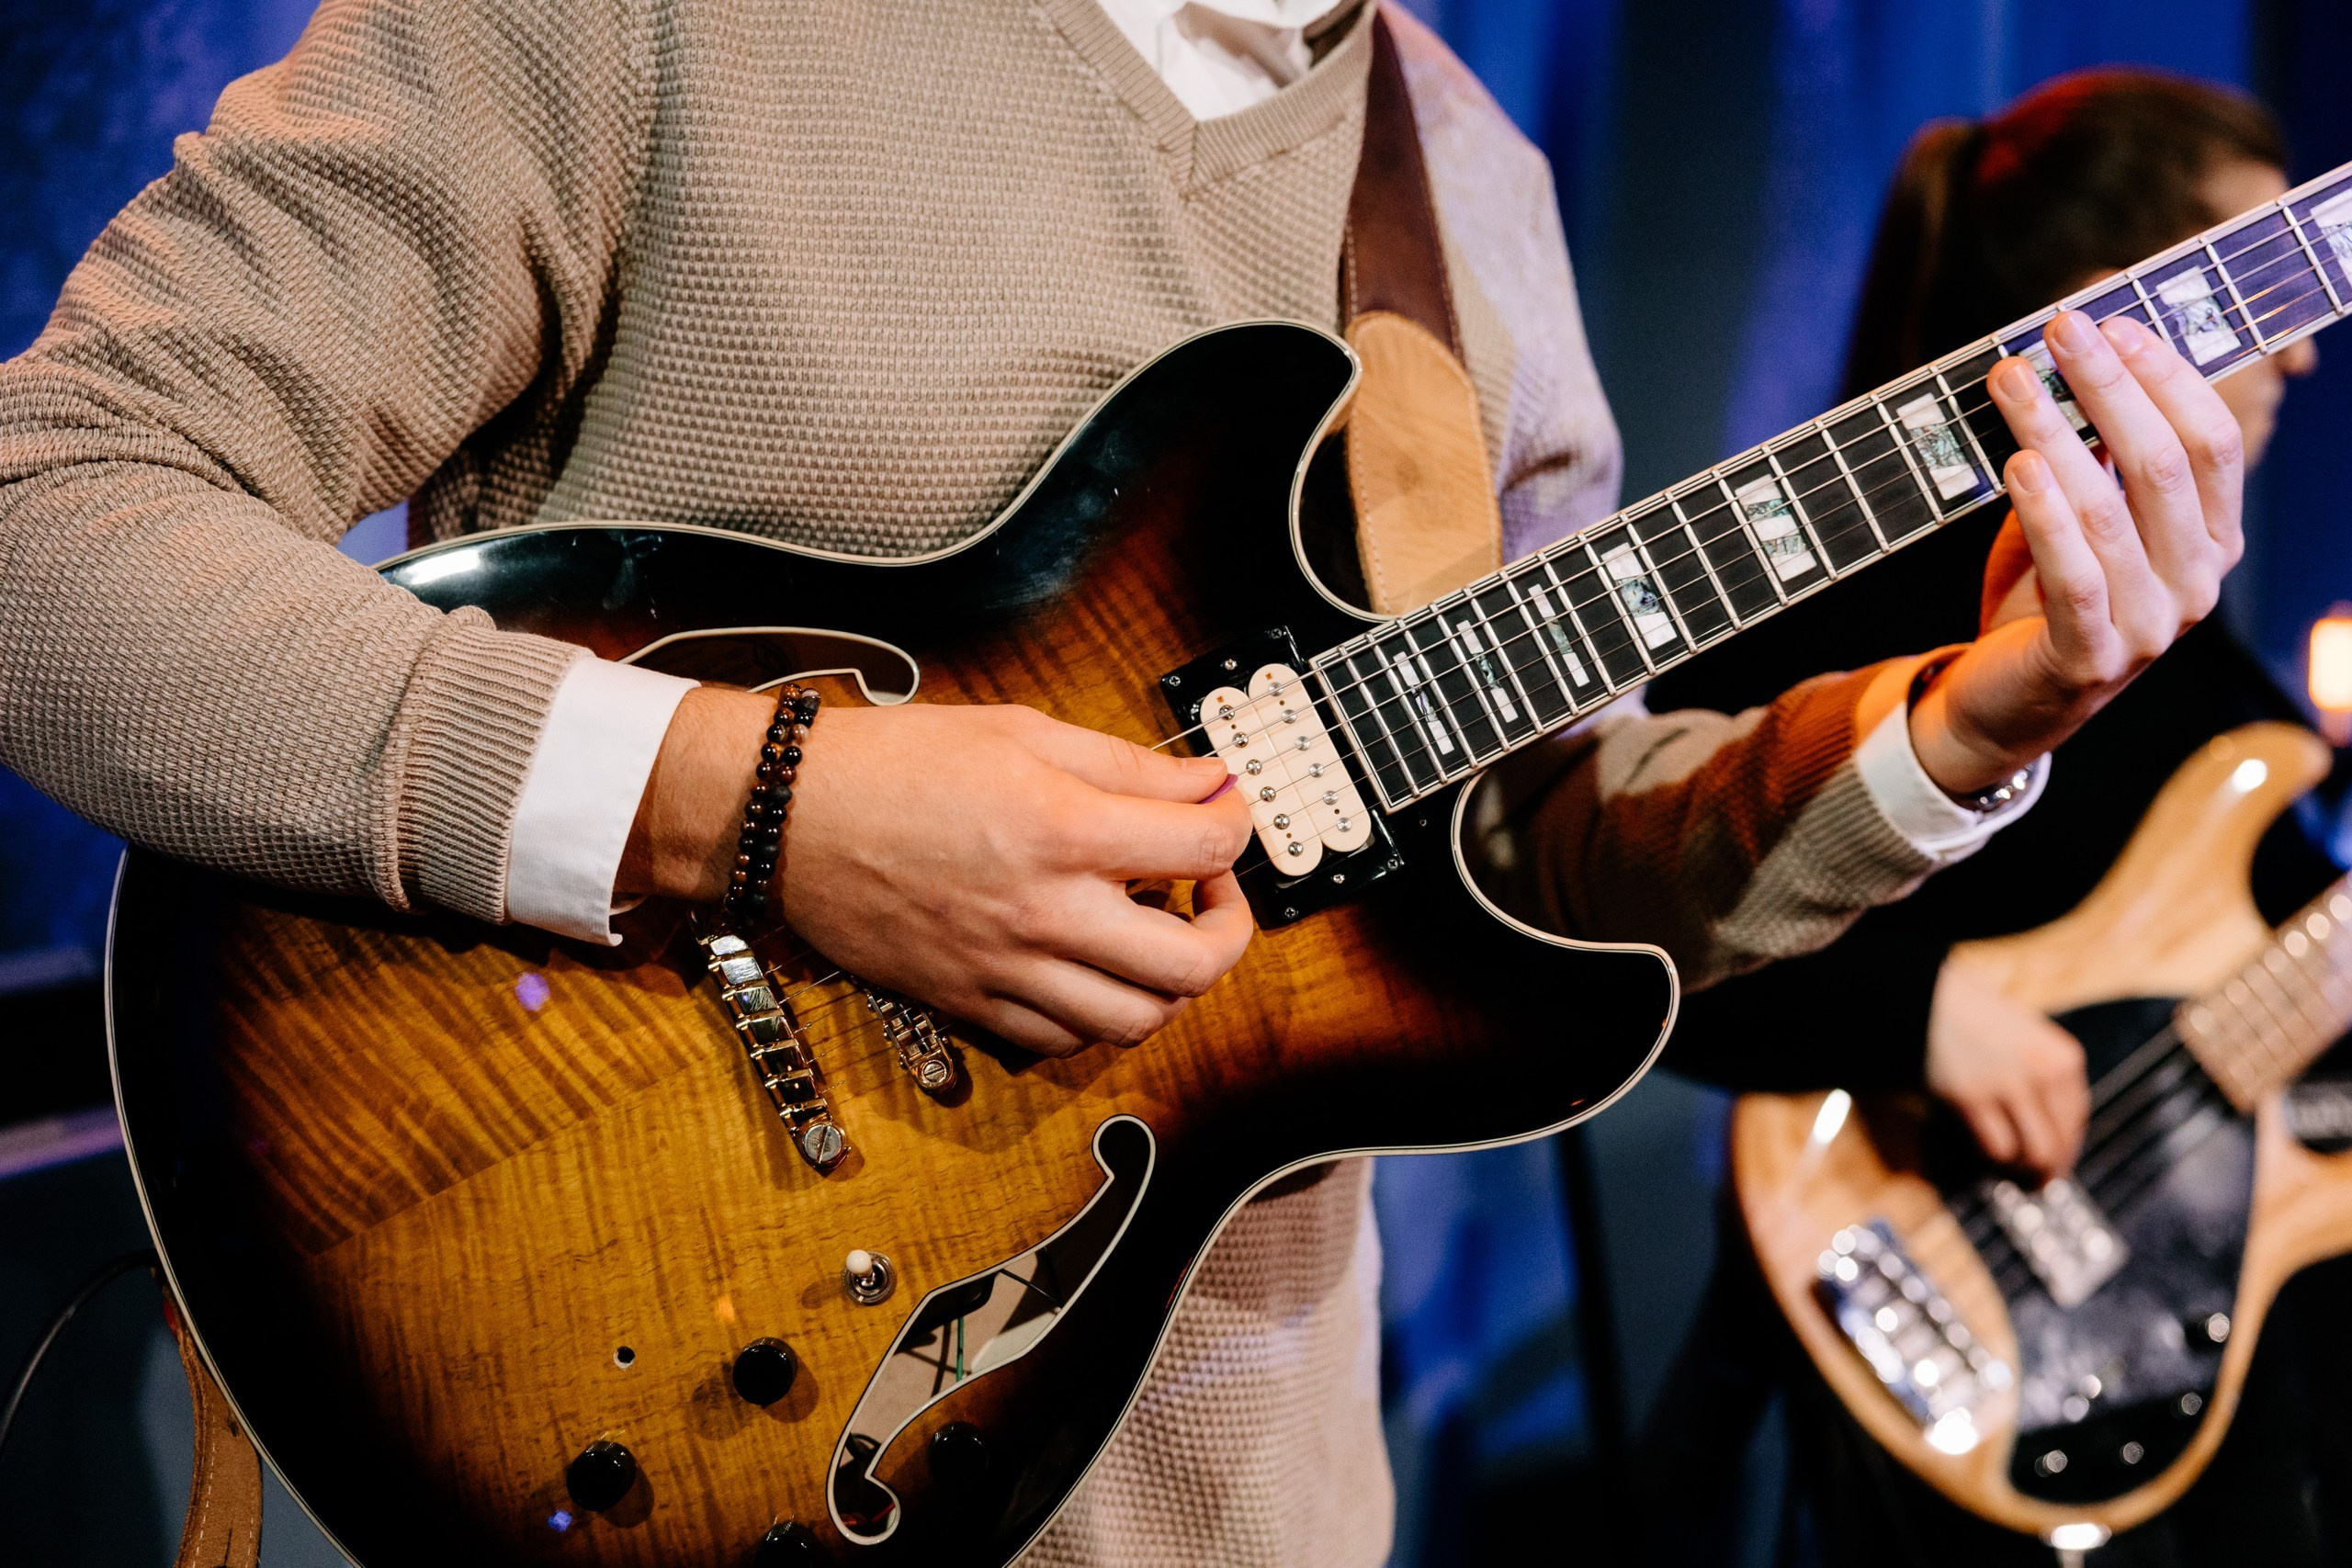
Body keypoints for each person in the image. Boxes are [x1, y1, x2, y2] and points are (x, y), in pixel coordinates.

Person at [0, 4, 2244, 1562]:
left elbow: (1528, 838)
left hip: (1249, 1509)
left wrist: (1967, 722)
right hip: (585, 1363)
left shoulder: (1464, 180)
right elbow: (51, 522)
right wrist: (758, 802)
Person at [1636, 70, 2351, 1568]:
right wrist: (1925, 1011)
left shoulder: (2203, 663)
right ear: (2122, 302)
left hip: (2183, 1328)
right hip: (1916, 1330)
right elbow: (1616, 903)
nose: (2299, 346)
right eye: (2263, 279)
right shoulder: (1841, 574)